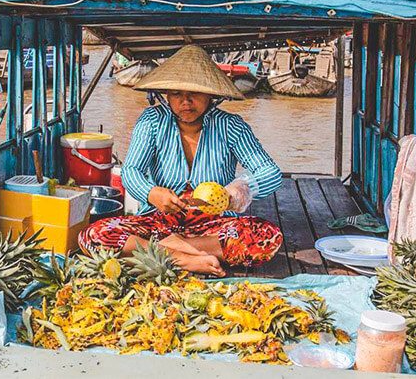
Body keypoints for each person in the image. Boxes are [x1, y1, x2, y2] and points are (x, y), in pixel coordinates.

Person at [78, 45, 283, 276]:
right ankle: (183, 259)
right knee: (93, 235)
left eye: (194, 93)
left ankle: (167, 251)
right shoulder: (152, 121)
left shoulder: (231, 126)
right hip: (159, 222)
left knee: (267, 236)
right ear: (166, 94)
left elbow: (271, 172)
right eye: (176, 94)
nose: (185, 102)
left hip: (213, 226)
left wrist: (240, 188)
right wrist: (151, 192)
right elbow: (131, 170)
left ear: (210, 94)